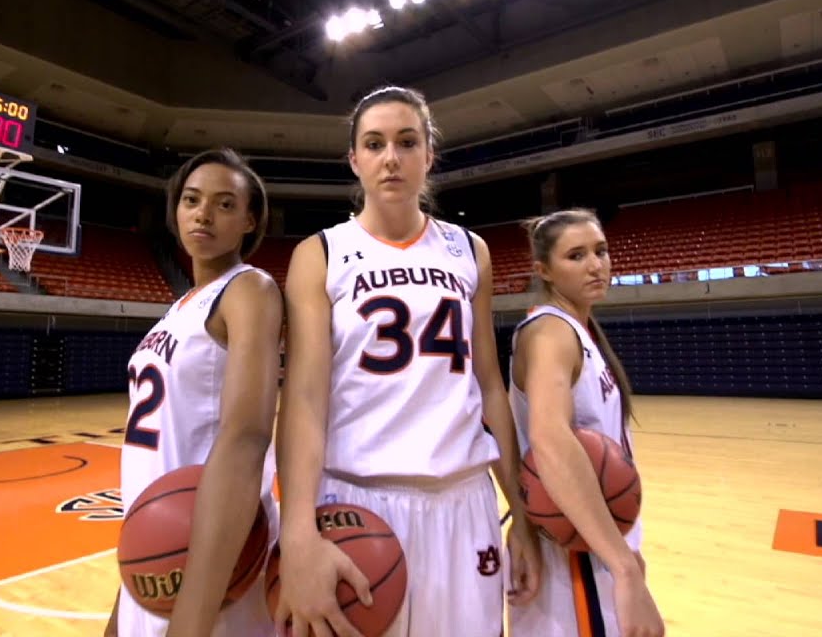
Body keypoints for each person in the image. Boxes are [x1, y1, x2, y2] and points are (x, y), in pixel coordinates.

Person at [272, 85, 543, 637]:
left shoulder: (469, 251)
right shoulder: (319, 253)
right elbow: (302, 398)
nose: (390, 157)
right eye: (374, 144)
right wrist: (298, 532)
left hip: (464, 502)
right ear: (354, 159)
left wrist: (522, 513)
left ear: (429, 155)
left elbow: (490, 387)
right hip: (354, 500)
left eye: (406, 141)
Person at [104, 148, 284, 637]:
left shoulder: (249, 289)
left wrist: (194, 614)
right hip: (157, 549)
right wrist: (124, 601)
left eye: (225, 204)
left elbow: (248, 437)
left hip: (215, 555)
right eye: (192, 199)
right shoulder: (178, 308)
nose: (203, 213)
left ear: (250, 221)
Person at [507, 208, 664, 637]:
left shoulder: (581, 330)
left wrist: (626, 549)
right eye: (575, 256)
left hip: (596, 543)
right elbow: (550, 440)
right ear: (545, 271)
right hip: (572, 555)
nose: (596, 265)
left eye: (601, 250)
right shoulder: (550, 333)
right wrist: (623, 566)